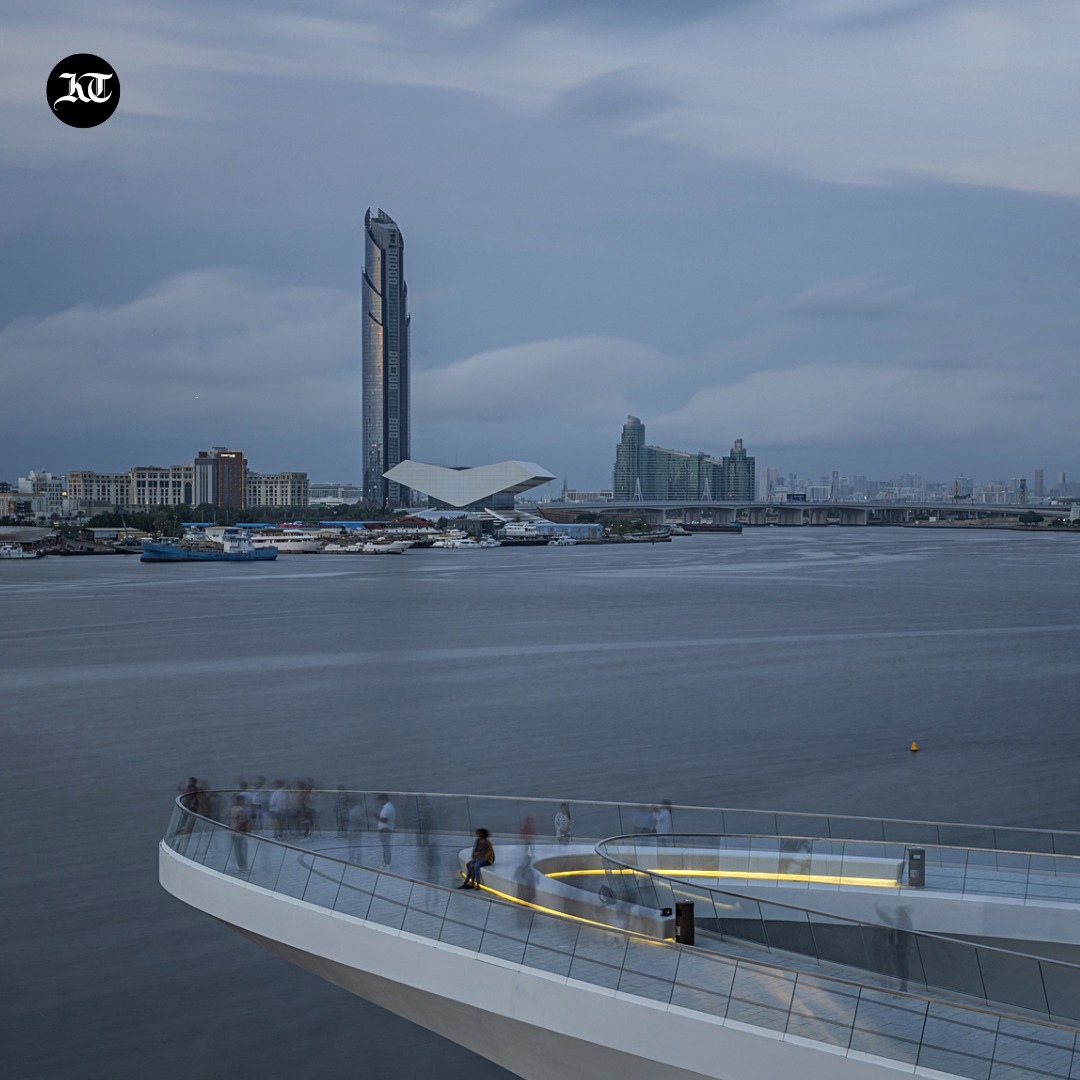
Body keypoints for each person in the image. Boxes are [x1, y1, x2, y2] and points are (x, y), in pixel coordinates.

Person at [229, 794, 251, 873]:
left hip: (233, 831)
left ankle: (240, 865)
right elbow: (243, 821)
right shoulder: (241, 810)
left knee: (237, 850)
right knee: (243, 850)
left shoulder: (233, 808)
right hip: (240, 832)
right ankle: (243, 866)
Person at [374, 794, 395, 868]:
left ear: (383, 799)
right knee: (386, 846)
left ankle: (387, 863)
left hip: (385, 830)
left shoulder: (386, 808)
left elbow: (384, 820)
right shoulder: (389, 806)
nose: (380, 802)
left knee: (386, 847)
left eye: (380, 801)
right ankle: (386, 862)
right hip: (387, 829)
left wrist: (375, 815)